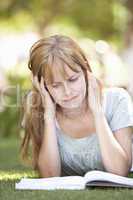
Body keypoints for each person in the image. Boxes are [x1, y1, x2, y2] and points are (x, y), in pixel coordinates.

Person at [20, 35, 133, 178]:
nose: (67, 92)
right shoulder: (37, 107)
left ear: (86, 70)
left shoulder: (117, 100)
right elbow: (49, 177)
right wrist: (49, 116)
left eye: (73, 79)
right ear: (42, 85)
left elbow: (119, 171)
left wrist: (97, 113)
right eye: (56, 85)